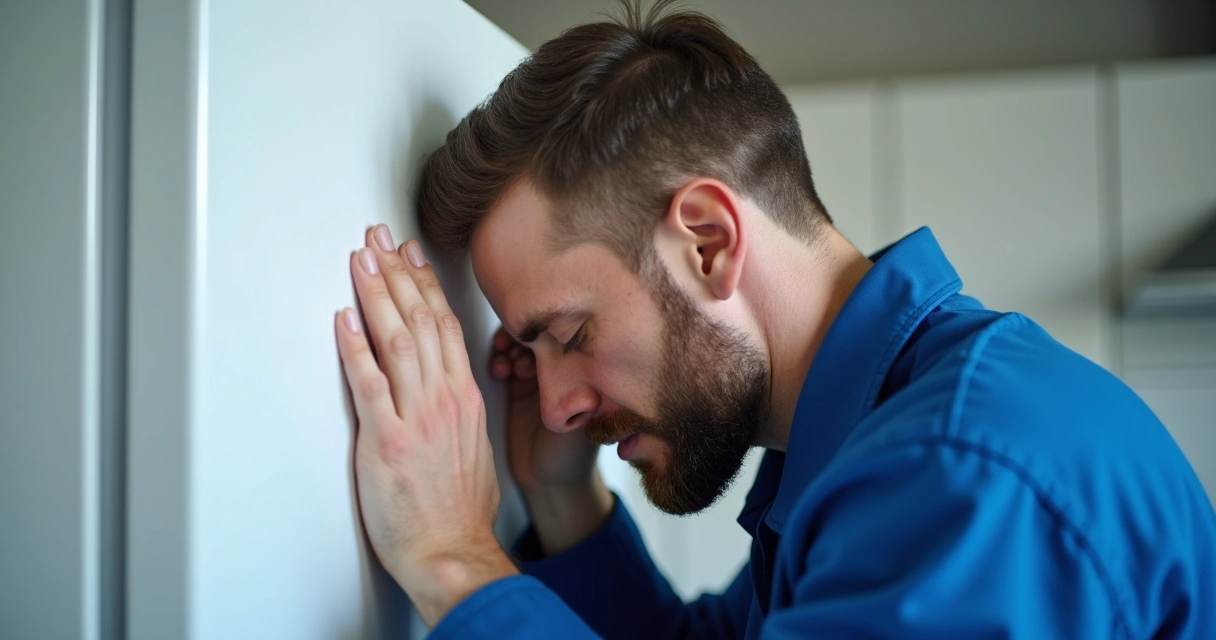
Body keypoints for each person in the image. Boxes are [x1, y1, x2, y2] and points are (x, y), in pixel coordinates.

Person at [332, 1, 1216, 637]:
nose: (557, 402)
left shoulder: (959, 483)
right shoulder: (876, 450)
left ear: (709, 243)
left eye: (569, 334)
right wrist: (562, 495)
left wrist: (454, 557)